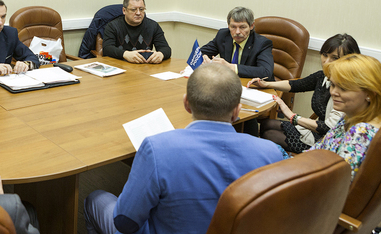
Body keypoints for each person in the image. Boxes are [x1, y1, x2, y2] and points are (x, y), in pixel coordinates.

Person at [83, 64, 283, 234]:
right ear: (237, 111)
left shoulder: (156, 149)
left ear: (186, 103)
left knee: (95, 199)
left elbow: (124, 223)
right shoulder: (271, 153)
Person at [248, 34, 359, 153]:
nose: (326, 62)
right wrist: (267, 84)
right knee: (266, 124)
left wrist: (293, 117)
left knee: (270, 135)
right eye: (325, 55)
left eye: (335, 58)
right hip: (316, 130)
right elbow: (297, 84)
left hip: (330, 140)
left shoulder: (347, 89)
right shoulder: (323, 76)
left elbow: (329, 128)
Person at [310, 54, 381, 180]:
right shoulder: (349, 117)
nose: (333, 92)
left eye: (343, 88)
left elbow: (337, 182)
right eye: (333, 85)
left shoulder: (361, 132)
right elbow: (318, 149)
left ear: (369, 94)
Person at [200, 6, 274, 80]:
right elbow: (199, 52)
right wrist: (204, 57)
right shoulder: (223, 35)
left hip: (252, 84)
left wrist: (231, 67)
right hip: (228, 82)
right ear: (228, 26)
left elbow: (266, 72)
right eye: (233, 27)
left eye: (242, 27)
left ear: (251, 26)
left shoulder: (262, 43)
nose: (237, 32)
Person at [101, 0, 172, 64]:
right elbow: (107, 49)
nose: (138, 13)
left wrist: (160, 54)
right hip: (121, 65)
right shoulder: (113, 26)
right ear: (124, 10)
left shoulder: (153, 26)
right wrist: (126, 54)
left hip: (145, 66)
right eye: (133, 9)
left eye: (141, 9)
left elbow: (166, 49)